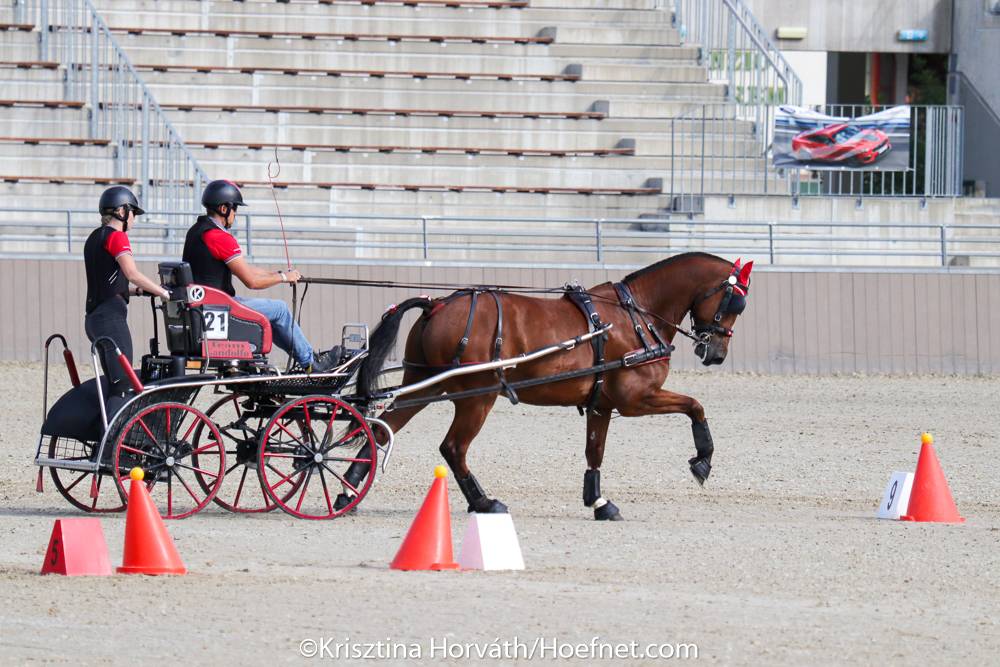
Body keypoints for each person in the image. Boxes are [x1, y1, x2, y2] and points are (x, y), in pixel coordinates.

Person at [182, 180, 338, 373]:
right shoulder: (220, 237)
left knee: (272, 315)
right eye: (235, 209)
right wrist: (282, 279)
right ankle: (310, 363)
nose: (235, 215)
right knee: (280, 310)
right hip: (221, 308)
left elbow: (245, 269)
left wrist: (279, 274)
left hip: (206, 306)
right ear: (224, 208)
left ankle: (307, 359)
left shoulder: (196, 232)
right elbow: (252, 281)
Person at [84, 186, 171, 394]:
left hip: (93, 319)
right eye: (133, 213)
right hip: (112, 320)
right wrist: (164, 292)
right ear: (122, 211)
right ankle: (118, 426)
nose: (134, 219)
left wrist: (138, 292)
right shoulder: (117, 237)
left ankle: (107, 425)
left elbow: (108, 284)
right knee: (124, 384)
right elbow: (132, 273)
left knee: (114, 383)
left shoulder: (93, 238)